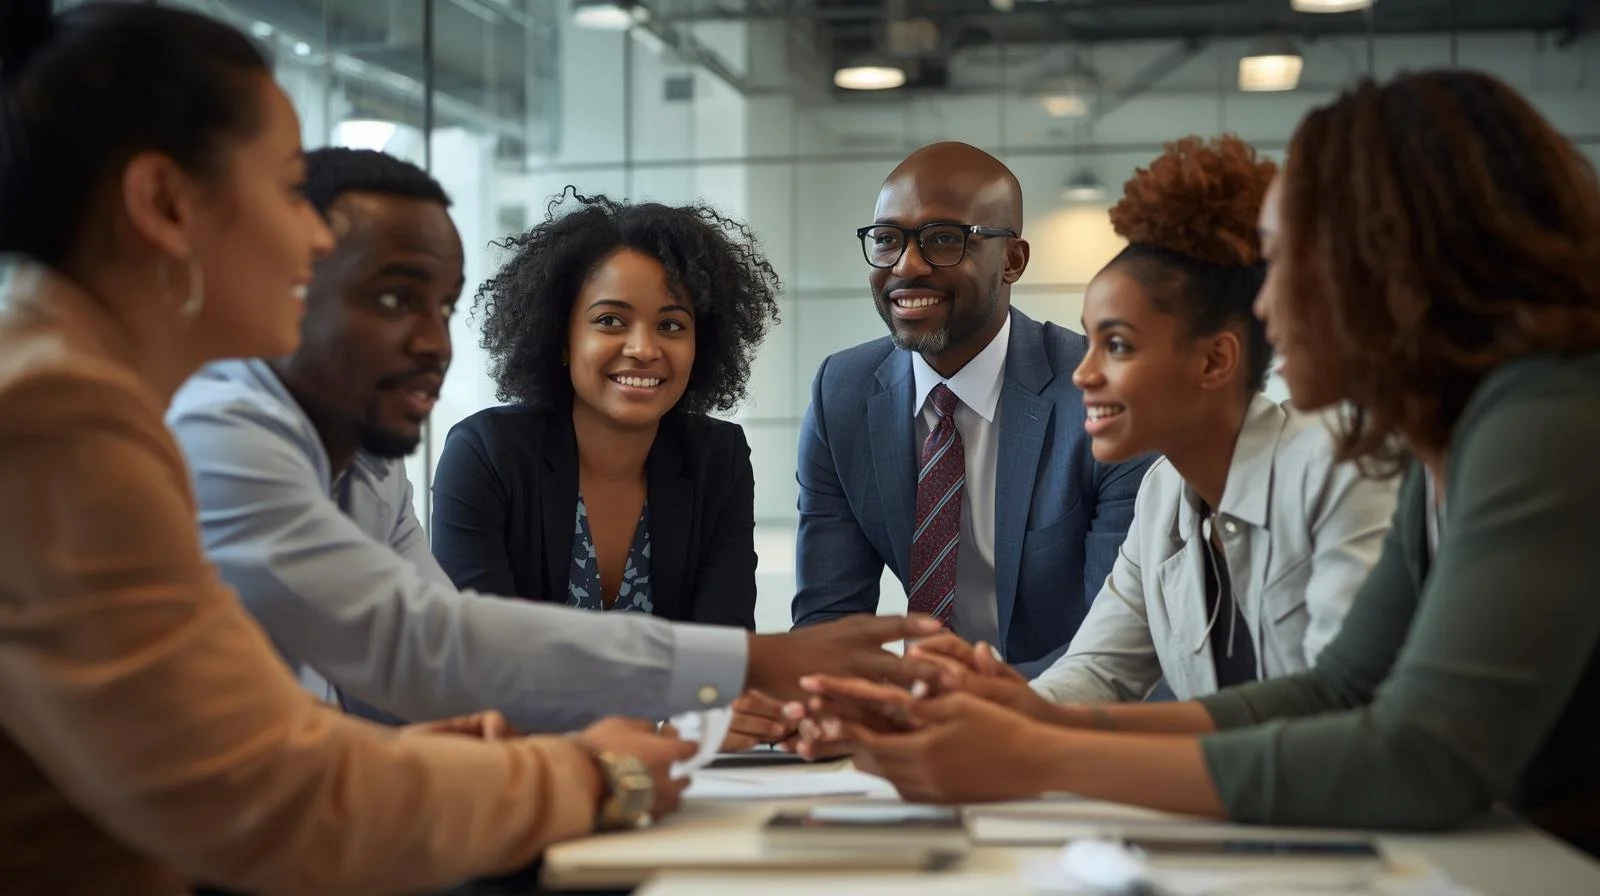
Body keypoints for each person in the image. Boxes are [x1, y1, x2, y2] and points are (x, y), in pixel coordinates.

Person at [795, 70, 1600, 857]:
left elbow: (1417, 755)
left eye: (1284, 261)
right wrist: (1034, 721)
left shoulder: (1546, 418)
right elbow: (1340, 690)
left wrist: (1039, 752)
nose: (1264, 305)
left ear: (1391, 262)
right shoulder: (1450, 444)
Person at [0, 4, 696, 893]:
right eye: (290, 188)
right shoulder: (61, 414)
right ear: (165, 203)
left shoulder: (92, 394)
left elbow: (250, 739)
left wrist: (416, 754)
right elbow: (272, 793)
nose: (317, 237)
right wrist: (599, 774)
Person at [166, 147, 942, 733]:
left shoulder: (371, 474)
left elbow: (454, 669)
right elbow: (429, 646)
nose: (434, 343)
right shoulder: (225, 431)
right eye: (395, 298)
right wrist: (744, 671)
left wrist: (715, 699)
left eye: (441, 308)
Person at [1024, 134, 1393, 704]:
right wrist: (971, 703)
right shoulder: (1163, 493)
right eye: (1090, 341)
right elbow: (1095, 673)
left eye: (1117, 345)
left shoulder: (1339, 467)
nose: (1083, 373)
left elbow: (1342, 713)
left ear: (1215, 360)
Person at [789, 141, 1153, 680]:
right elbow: (830, 624)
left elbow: (1118, 646)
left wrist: (980, 713)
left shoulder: (1101, 396)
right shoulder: (842, 393)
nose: (907, 266)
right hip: (925, 726)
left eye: (943, 239)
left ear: (1012, 260)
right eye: (887, 240)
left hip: (1070, 718)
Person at [431, 190, 779, 630]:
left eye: (671, 325)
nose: (643, 349)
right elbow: (481, 650)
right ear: (561, 337)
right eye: (610, 320)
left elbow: (726, 646)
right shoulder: (487, 455)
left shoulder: (718, 459)